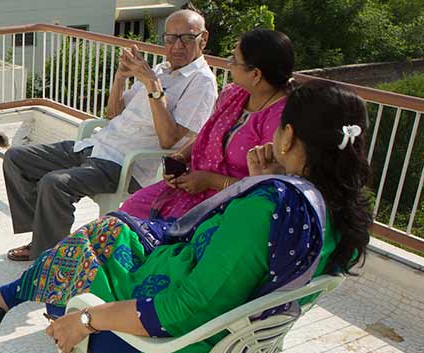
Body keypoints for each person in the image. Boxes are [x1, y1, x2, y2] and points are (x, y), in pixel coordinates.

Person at [0, 80, 373, 353]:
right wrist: (262, 179)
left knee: (68, 295)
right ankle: (2, 301)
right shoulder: (337, 212)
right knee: (109, 234)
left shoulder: (266, 210)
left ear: (289, 136)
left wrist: (86, 320)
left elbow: (182, 309)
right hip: (233, 347)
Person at [2, 9, 218, 261]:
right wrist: (120, 77)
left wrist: (152, 86)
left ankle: (50, 259)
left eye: (187, 38)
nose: (177, 46)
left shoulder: (201, 83)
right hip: (97, 145)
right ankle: (43, 239)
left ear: (203, 39)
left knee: (54, 183)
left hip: (125, 164)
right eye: (171, 39)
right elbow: (113, 113)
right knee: (16, 158)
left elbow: (170, 141)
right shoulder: (160, 69)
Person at [119, 29, 295, 220]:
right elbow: (209, 134)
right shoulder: (235, 94)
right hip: (194, 185)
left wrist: (210, 180)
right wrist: (179, 158)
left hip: (230, 204)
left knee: (151, 234)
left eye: (234, 61)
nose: (230, 65)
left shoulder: (280, 120)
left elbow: (267, 187)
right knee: (129, 210)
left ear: (255, 74)